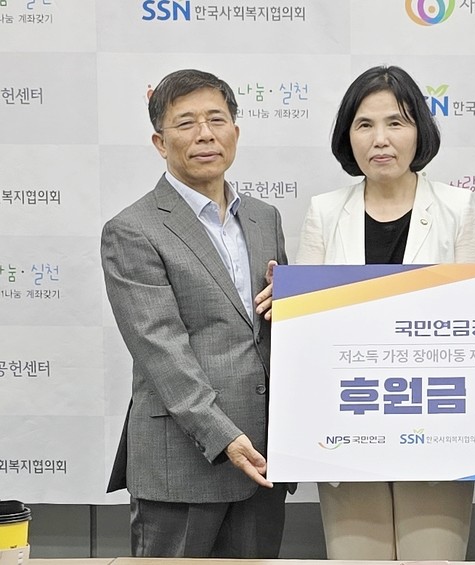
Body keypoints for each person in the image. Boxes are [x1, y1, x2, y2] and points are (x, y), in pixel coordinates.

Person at [296, 65, 475, 560]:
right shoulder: (323, 212)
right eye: (365, 124)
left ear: (419, 130)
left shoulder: (457, 209)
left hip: (437, 426)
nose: (380, 139)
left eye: (396, 122)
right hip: (345, 423)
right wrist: (284, 298)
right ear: (348, 135)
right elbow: (304, 334)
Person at [101, 69, 289, 558]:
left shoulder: (264, 218)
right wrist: (224, 437)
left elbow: (272, 331)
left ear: (236, 132)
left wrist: (294, 302)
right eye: (186, 123)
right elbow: (160, 350)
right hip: (183, 462)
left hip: (263, 460)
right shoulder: (133, 229)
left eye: (216, 120)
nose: (205, 134)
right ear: (160, 142)